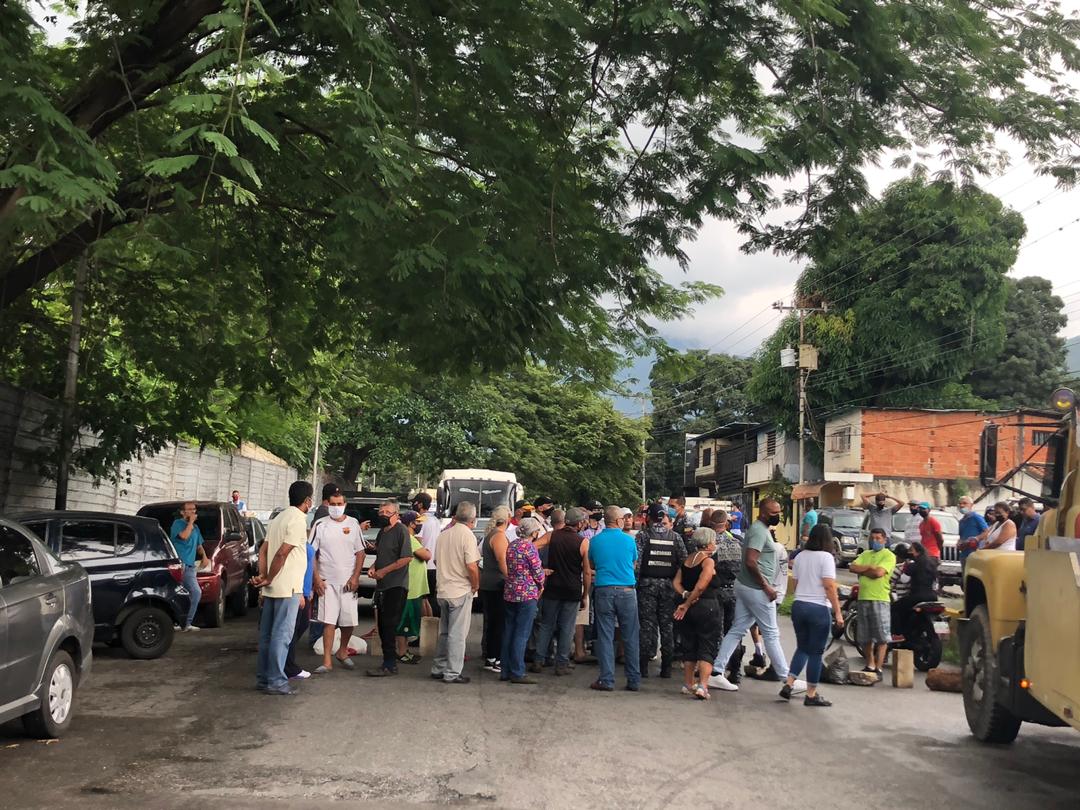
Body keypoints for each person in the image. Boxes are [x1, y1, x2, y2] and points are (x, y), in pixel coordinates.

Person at [709, 498, 794, 693]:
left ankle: (716, 672)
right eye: (774, 513)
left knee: (737, 629)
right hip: (757, 589)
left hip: (746, 586)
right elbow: (750, 561)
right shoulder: (758, 531)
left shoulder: (760, 529)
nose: (777, 516)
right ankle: (786, 679)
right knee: (771, 633)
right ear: (763, 513)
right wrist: (766, 586)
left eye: (778, 512)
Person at [252, 480, 312, 696]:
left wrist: (264, 577)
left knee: (267, 635)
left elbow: (263, 551)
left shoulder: (278, 519)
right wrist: (268, 577)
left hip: (273, 587)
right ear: (307, 500)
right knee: (282, 635)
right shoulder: (297, 519)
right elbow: (281, 553)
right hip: (288, 586)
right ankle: (277, 681)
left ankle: (264, 678)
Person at [781, 523, 843, 707]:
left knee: (802, 647)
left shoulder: (800, 556)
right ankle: (811, 694)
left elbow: (796, 583)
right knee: (816, 652)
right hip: (817, 608)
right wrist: (838, 612)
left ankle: (789, 683)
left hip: (799, 605)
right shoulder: (826, 558)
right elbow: (829, 586)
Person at [310, 491, 366, 674]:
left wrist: (355, 577)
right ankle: (327, 660)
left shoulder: (353, 524)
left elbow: (360, 553)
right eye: (332, 504)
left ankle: (342, 651)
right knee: (328, 622)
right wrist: (316, 578)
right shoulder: (320, 525)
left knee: (349, 621)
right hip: (327, 582)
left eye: (339, 503)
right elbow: (312, 555)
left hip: (348, 582)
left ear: (345, 504)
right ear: (327, 504)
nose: (336, 507)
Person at [588, 505, 641, 692]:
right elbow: (633, 564)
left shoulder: (595, 541)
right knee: (630, 636)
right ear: (618, 521)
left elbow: (592, 563)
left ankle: (606, 679)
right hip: (627, 590)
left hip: (604, 589)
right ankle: (633, 679)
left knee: (605, 635)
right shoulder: (629, 541)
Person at [535, 507, 591, 676]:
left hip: (553, 587)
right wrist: (585, 594)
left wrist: (539, 568)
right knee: (567, 627)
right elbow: (587, 572)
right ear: (579, 523)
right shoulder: (582, 542)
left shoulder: (552, 535)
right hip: (572, 589)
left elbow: (532, 546)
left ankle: (538, 660)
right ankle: (561, 664)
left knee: (546, 624)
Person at [431, 502, 481, 684]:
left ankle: (439, 667)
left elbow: (436, 560)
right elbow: (472, 566)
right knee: (457, 634)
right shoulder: (467, 536)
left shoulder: (444, 535)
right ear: (473, 519)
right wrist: (475, 585)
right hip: (460, 589)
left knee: (445, 632)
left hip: (443, 589)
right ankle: (452, 672)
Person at [635, 502, 686, 678]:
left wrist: (635, 584)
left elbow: (637, 564)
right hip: (668, 587)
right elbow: (683, 563)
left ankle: (642, 668)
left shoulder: (643, 536)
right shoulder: (676, 537)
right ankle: (666, 669)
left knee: (646, 626)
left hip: (647, 586)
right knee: (667, 627)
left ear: (649, 517)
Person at [365, 500, 414, 677]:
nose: (383, 514)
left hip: (396, 585)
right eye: (381, 511)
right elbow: (381, 554)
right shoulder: (382, 533)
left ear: (396, 514)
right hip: (382, 586)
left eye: (388, 512)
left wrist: (384, 571)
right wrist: (374, 568)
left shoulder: (401, 531)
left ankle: (390, 663)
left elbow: (407, 558)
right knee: (382, 625)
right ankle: (388, 662)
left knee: (389, 624)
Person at [673, 527, 722, 700]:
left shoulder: (688, 560)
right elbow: (702, 585)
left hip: (689, 610)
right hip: (707, 606)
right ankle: (703, 685)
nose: (715, 544)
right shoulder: (707, 561)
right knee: (707, 645)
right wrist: (688, 602)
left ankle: (688, 683)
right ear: (708, 544)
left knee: (689, 644)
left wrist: (685, 596)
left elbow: (676, 582)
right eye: (714, 541)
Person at [500, 516, 546, 684]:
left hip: (510, 591)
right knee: (522, 633)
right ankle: (517, 671)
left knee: (509, 631)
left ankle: (505, 669)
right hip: (527, 593)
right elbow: (537, 571)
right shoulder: (530, 548)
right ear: (533, 532)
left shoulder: (512, 546)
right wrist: (541, 584)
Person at [848, 527, 896, 675]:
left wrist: (864, 570)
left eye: (878, 538)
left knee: (882, 636)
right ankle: (870, 663)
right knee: (864, 636)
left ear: (884, 540)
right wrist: (869, 567)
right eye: (873, 538)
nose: (875, 541)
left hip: (880, 599)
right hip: (863, 598)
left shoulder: (888, 555)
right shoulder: (865, 554)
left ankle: (879, 667)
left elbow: (878, 573)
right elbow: (852, 567)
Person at [707, 510, 744, 683]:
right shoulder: (738, 542)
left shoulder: (709, 544)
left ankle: (715, 670)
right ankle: (735, 671)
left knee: (716, 631)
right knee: (734, 632)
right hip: (735, 591)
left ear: (711, 524)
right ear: (726, 524)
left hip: (717, 591)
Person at [393, 511, 431, 664]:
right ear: (411, 524)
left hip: (412, 588)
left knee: (409, 622)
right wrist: (426, 550)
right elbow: (426, 555)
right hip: (410, 589)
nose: (420, 525)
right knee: (405, 623)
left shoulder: (408, 538)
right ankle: (402, 652)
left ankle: (405, 650)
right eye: (418, 522)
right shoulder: (410, 539)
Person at [479, 506, 510, 673]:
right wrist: (511, 578)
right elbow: (502, 561)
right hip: (497, 583)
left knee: (492, 622)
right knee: (499, 623)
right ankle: (495, 658)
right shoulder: (499, 537)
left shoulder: (490, 535)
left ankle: (491, 656)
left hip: (488, 582)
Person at [284, 528, 316, 682]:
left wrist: (309, 589)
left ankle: (285, 661)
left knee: (300, 626)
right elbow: (297, 569)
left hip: (304, 591)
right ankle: (288, 667)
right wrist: (301, 592)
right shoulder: (294, 545)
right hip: (298, 592)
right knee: (292, 629)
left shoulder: (304, 542)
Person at [170, 501, 207, 632]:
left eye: (194, 510)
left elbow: (199, 545)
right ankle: (185, 623)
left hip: (190, 566)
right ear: (182, 512)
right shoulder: (177, 524)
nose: (193, 512)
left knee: (188, 594)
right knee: (195, 592)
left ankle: (182, 622)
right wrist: (190, 522)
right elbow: (184, 537)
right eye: (189, 509)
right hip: (181, 565)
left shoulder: (196, 528)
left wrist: (204, 557)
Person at [891, 541, 938, 638]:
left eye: (911, 550)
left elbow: (904, 580)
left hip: (917, 597)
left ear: (918, 552)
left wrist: (905, 569)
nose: (909, 552)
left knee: (894, 608)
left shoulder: (913, 565)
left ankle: (898, 634)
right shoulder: (931, 565)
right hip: (933, 597)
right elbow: (936, 585)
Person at [412, 491, 442, 617]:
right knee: (431, 598)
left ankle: (424, 628)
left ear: (419, 504)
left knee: (423, 599)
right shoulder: (435, 520)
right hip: (434, 565)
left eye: (414, 502)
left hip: (423, 564)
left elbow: (417, 542)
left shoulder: (420, 520)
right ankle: (433, 627)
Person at [957, 496, 988, 571]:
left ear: (971, 505)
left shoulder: (976, 517)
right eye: (960, 504)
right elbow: (961, 536)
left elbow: (986, 531)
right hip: (964, 554)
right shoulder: (961, 521)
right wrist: (959, 543)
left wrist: (975, 539)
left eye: (964, 503)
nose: (962, 505)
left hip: (975, 553)